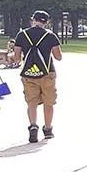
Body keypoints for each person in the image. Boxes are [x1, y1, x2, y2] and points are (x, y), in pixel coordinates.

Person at [12, 10, 63, 143]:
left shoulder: (22, 35)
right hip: (47, 73)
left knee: (32, 102)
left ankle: (33, 124)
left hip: (29, 74)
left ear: (33, 19)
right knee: (49, 102)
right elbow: (58, 57)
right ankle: (48, 129)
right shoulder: (50, 36)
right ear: (47, 22)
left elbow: (16, 58)